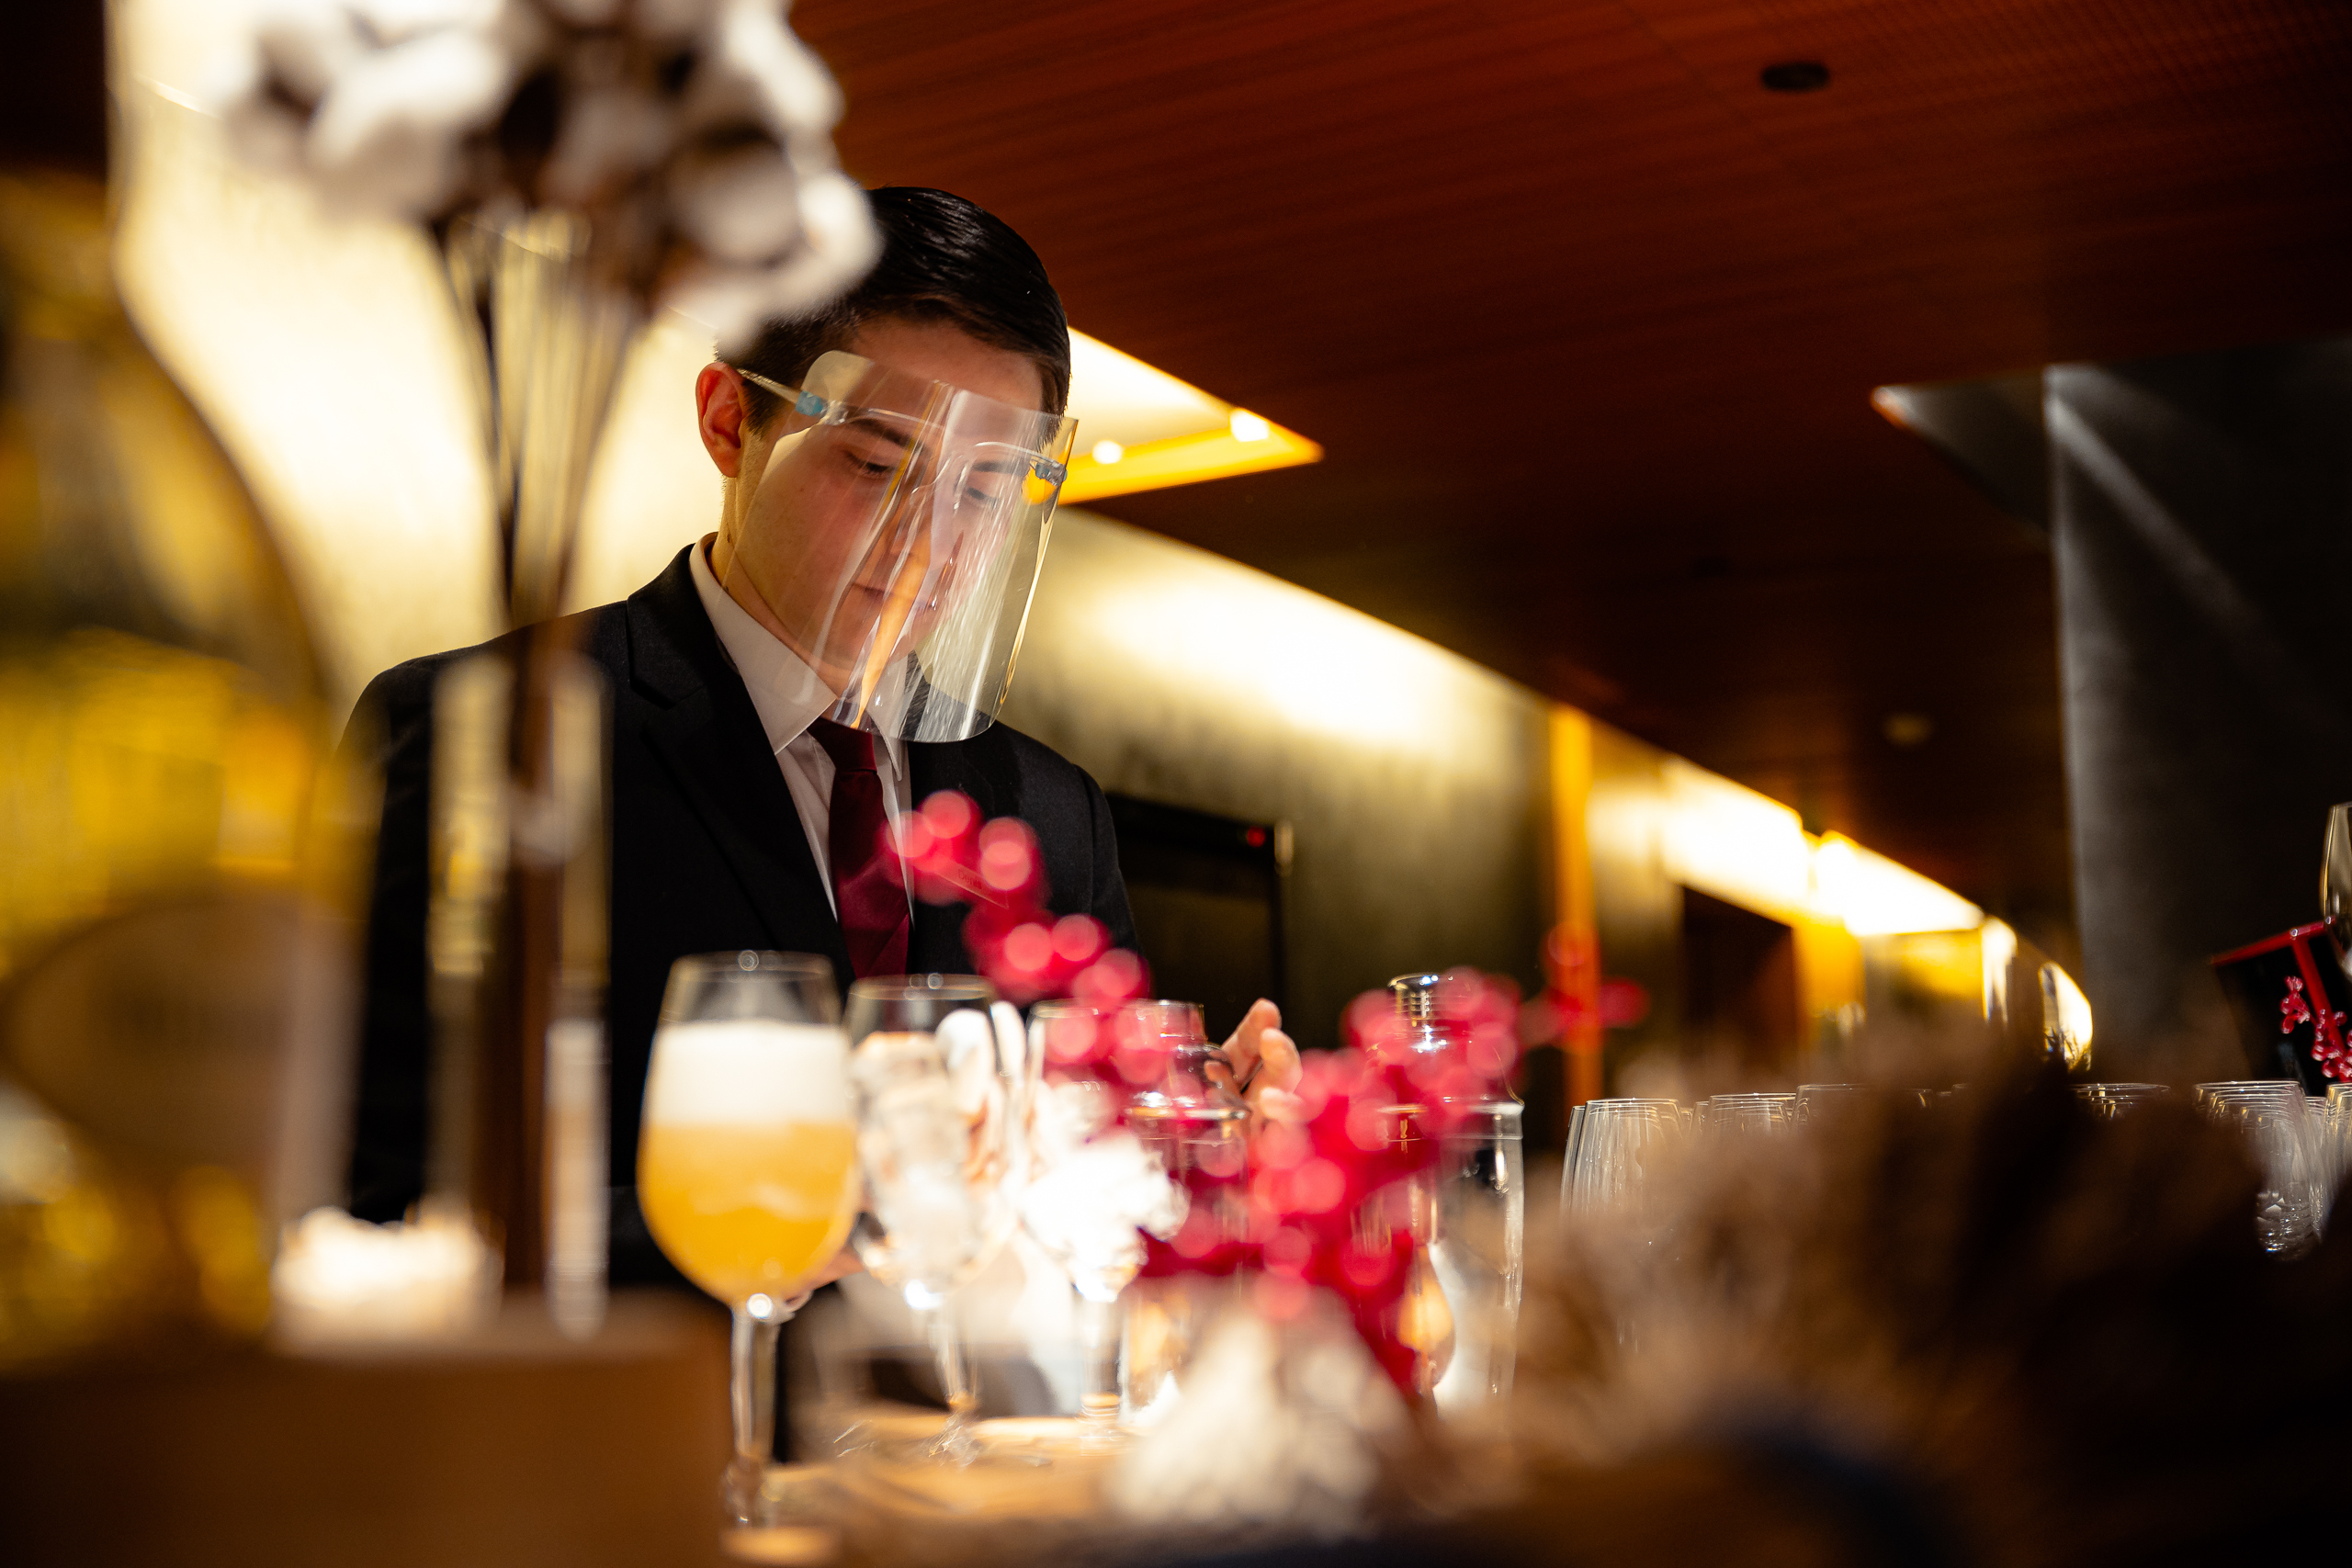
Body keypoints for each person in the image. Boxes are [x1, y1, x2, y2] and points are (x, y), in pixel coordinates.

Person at [345, 186, 1297, 1285]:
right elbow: (385, 1216)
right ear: (727, 421)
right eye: (878, 466)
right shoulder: (485, 732)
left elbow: (1079, 1193)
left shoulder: (1050, 812)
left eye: (986, 490)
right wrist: (827, 1221)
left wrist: (1192, 1145)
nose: (931, 544)